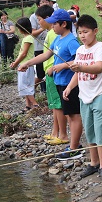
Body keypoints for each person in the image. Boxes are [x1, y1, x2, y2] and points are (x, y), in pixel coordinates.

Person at [19, 9, 83, 160]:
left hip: (70, 84)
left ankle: (75, 147)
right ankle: (74, 144)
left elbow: (80, 60)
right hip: (60, 82)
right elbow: (45, 55)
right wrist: (27, 63)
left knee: (74, 115)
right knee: (69, 115)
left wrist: (62, 66)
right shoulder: (58, 39)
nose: (52, 26)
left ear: (64, 24)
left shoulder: (71, 40)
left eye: (55, 23)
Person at [63, 14, 102, 180]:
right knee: (90, 131)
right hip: (84, 97)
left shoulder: (100, 48)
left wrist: (82, 67)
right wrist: (70, 87)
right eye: (80, 32)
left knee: (101, 130)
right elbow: (77, 74)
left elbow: (99, 67)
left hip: (100, 94)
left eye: (86, 32)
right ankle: (94, 163)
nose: (83, 35)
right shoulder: (79, 50)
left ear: (95, 31)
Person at [35, 4, 68, 145]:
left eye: (39, 19)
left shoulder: (54, 33)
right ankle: (56, 132)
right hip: (51, 72)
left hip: (54, 72)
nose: (38, 22)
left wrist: (53, 68)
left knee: (57, 104)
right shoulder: (50, 34)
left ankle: (62, 134)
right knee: (54, 105)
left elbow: (58, 55)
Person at [10, 17, 39, 112]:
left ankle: (35, 105)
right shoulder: (27, 37)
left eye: (19, 28)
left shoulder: (28, 38)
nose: (18, 30)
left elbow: (24, 54)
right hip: (23, 64)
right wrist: (16, 62)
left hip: (25, 65)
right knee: (26, 85)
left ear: (22, 28)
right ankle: (28, 105)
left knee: (24, 86)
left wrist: (16, 63)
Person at [31, 0, 50, 93]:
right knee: (40, 74)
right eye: (42, 2)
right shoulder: (33, 17)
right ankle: (30, 92)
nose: (45, 3)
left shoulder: (52, 14)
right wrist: (44, 27)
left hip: (50, 47)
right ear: (38, 5)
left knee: (49, 71)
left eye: (47, 1)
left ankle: (46, 91)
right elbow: (32, 33)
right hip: (39, 47)